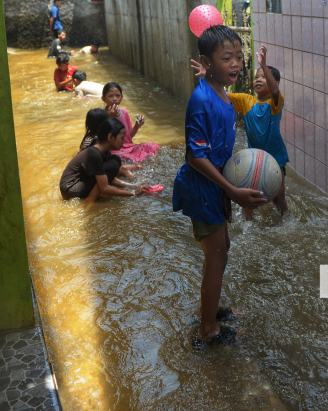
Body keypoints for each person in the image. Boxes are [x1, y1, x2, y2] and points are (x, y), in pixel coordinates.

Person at [173, 24, 268, 348]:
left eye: (239, 57)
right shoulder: (202, 100)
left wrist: (211, 75)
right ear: (207, 61)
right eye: (226, 58)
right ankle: (208, 331)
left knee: (221, 250)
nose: (236, 64)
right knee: (216, 258)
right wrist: (232, 190)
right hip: (204, 188)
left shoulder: (219, 91)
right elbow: (195, 156)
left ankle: (209, 311)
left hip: (216, 185)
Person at [191, 44, 288, 219]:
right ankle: (249, 227)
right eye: (256, 77)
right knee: (248, 201)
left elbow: (275, 91)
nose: (259, 80)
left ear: (276, 83)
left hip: (276, 158)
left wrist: (263, 65)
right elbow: (221, 94)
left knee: (279, 198)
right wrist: (210, 76)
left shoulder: (276, 103)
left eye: (264, 77)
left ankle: (285, 221)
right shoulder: (246, 100)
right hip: (253, 159)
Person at [59, 117, 150, 202]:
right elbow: (105, 189)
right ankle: (89, 201)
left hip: (77, 184)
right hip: (71, 190)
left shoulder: (104, 150)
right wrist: (134, 193)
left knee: (115, 160)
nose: (123, 142)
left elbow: (107, 178)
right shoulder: (95, 154)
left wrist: (135, 186)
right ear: (110, 137)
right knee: (113, 164)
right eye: (122, 138)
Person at [101, 81, 160, 163]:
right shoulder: (102, 115)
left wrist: (137, 125)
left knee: (153, 146)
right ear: (104, 99)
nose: (114, 99)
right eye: (111, 96)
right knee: (125, 157)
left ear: (121, 97)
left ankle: (152, 159)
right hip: (114, 149)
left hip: (128, 146)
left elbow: (128, 136)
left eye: (117, 96)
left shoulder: (124, 112)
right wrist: (110, 117)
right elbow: (101, 138)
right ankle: (144, 161)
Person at [78, 108, 141, 177]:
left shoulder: (100, 138)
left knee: (116, 159)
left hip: (97, 165)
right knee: (118, 166)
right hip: (90, 170)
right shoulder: (91, 141)